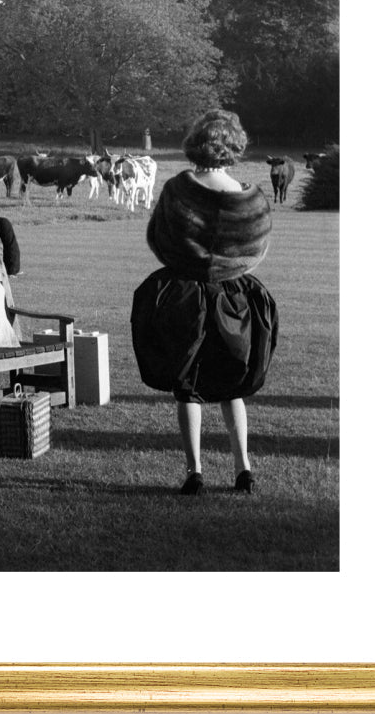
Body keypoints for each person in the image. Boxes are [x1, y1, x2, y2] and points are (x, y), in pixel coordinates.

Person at [131, 109, 278, 496]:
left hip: (184, 296)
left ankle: (194, 471)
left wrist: (189, 262)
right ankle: (243, 468)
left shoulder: (180, 189)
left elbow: (158, 238)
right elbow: (257, 249)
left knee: (188, 386)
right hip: (235, 297)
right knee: (232, 385)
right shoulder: (252, 197)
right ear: (234, 147)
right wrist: (228, 268)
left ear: (196, 143)